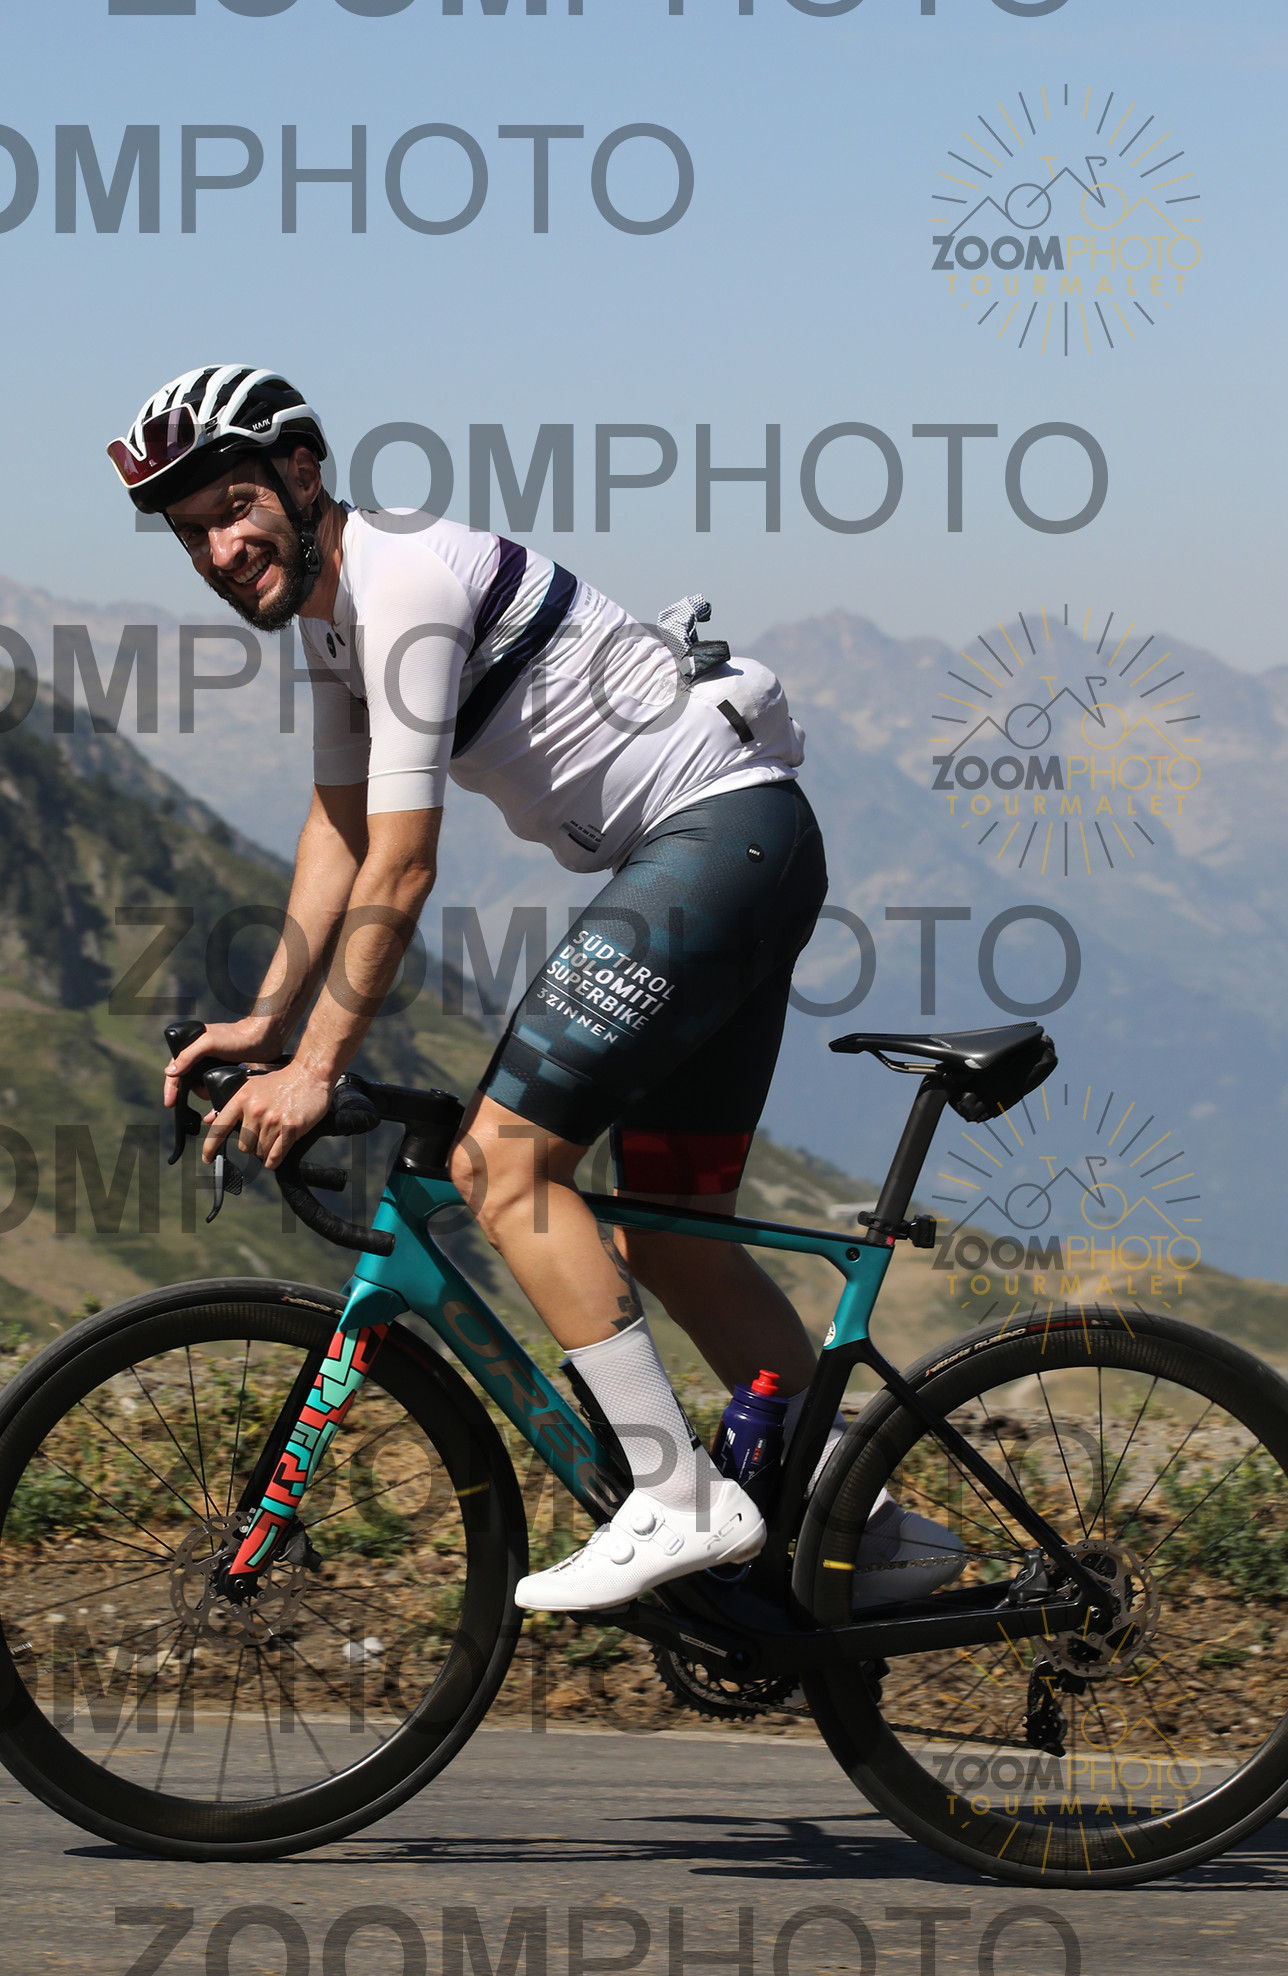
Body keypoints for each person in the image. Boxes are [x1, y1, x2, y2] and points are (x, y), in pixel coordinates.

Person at [109, 365, 962, 1614]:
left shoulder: (399, 585)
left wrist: (316, 1069)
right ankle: (866, 1528)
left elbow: (401, 864)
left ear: (301, 474)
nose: (220, 550)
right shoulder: (332, 621)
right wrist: (268, 1019)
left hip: (714, 846)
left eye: (234, 509)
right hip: (738, 852)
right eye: (193, 534)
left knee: (501, 1164)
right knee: (670, 1227)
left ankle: (675, 1494)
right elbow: (339, 827)